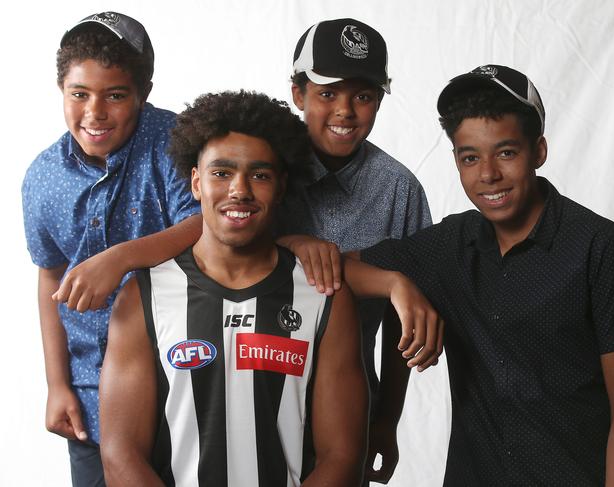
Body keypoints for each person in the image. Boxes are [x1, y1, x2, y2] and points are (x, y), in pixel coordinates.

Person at [341, 64, 614, 484]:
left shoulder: (600, 247)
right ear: (456, 161)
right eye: (471, 158)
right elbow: (337, 270)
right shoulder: (450, 244)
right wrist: (395, 283)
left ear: (538, 150)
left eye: (506, 152)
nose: (488, 174)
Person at [99, 91, 369, 486]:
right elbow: (120, 455)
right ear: (195, 182)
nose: (239, 190)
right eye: (221, 173)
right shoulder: (143, 296)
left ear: (280, 187)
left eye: (259, 175)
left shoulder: (323, 296)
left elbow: (342, 457)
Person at [21, 12, 202, 485]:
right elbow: (49, 279)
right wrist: (57, 384)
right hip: (88, 395)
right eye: (79, 94)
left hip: (182, 381)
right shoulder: (42, 178)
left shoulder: (178, 143)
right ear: (61, 89)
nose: (94, 113)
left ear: (142, 92)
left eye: (115, 95)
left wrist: (122, 256)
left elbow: (207, 224)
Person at [278, 18, 433, 483]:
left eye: (363, 96)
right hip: (253, 389)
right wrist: (290, 243)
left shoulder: (399, 189)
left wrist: (387, 419)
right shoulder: (262, 167)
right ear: (298, 94)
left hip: (350, 403)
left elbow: (398, 321)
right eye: (327, 93)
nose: (345, 111)